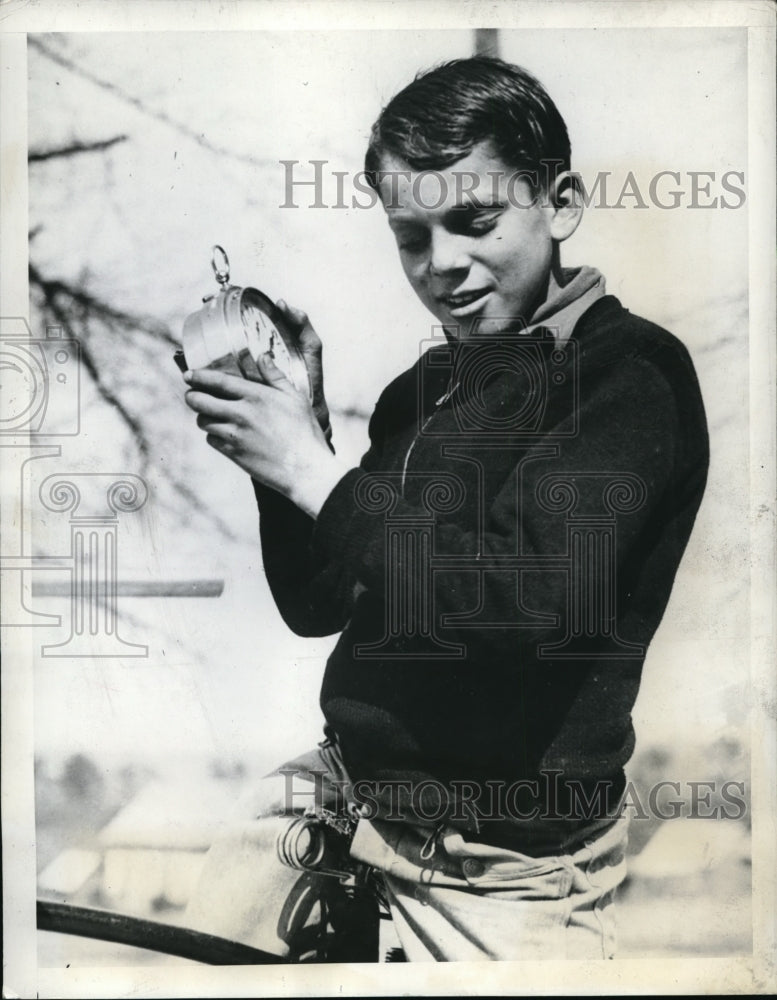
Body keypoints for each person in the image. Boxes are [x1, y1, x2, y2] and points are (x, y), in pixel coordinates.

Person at [182, 56, 709, 961]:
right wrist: (287, 445)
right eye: (410, 235)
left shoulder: (628, 377)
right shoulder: (418, 395)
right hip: (337, 803)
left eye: (473, 221)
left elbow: (524, 603)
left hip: (500, 871)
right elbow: (320, 605)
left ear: (562, 202)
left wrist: (315, 474)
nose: (441, 265)